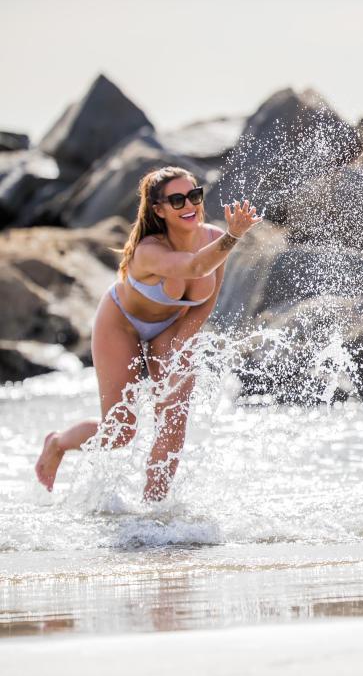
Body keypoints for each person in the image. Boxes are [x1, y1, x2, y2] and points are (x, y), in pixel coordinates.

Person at [33, 166, 262, 500]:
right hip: (121, 322)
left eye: (194, 195)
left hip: (169, 327)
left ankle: (154, 511)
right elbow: (196, 267)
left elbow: (205, 302)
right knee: (120, 431)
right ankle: (57, 443)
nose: (189, 205)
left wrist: (182, 343)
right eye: (177, 199)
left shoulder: (212, 238)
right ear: (159, 210)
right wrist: (234, 236)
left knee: (173, 418)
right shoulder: (149, 250)